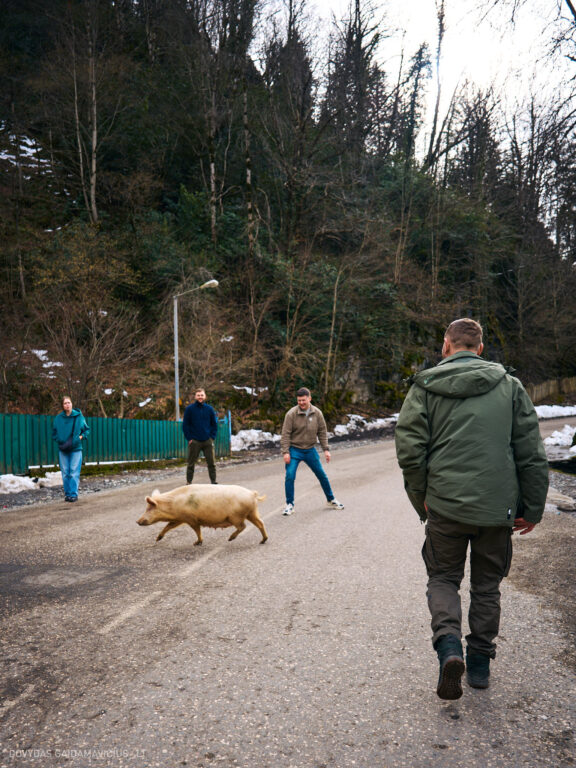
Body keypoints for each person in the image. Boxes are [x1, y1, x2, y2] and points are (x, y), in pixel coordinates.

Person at [395, 318, 549, 700]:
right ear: (480, 349)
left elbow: (410, 451)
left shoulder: (424, 387)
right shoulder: (509, 386)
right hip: (497, 509)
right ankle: (479, 664)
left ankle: (449, 648)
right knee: (486, 586)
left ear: (445, 346)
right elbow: (531, 453)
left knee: (443, 579)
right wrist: (533, 508)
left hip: (445, 506)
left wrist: (421, 498)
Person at [280, 387, 344, 516]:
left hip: (310, 450)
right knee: (290, 476)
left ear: (309, 398)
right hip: (294, 450)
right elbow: (285, 434)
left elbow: (322, 432)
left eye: (303, 400)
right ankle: (289, 504)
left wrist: (326, 449)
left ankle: (331, 499)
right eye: (299, 400)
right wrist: (285, 452)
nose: (301, 403)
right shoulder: (291, 414)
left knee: (321, 475)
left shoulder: (317, 413)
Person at [52, 395, 90, 502]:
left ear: (72, 404)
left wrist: (80, 437)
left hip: (76, 449)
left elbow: (86, 430)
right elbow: (54, 433)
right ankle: (68, 494)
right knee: (65, 473)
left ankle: (73, 494)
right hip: (63, 449)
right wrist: (60, 440)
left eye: (69, 402)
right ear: (62, 405)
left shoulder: (78, 416)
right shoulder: (58, 418)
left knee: (73, 472)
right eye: (65, 403)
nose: (67, 405)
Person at [182, 388, 219, 484]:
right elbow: (185, 425)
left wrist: (212, 437)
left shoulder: (209, 409)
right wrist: (189, 438)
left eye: (202, 395)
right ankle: (189, 482)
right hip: (195, 441)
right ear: (195, 396)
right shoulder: (189, 409)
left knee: (211, 463)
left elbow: (214, 424)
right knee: (191, 464)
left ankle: (213, 482)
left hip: (207, 441)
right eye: (198, 395)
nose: (200, 397)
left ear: (205, 396)